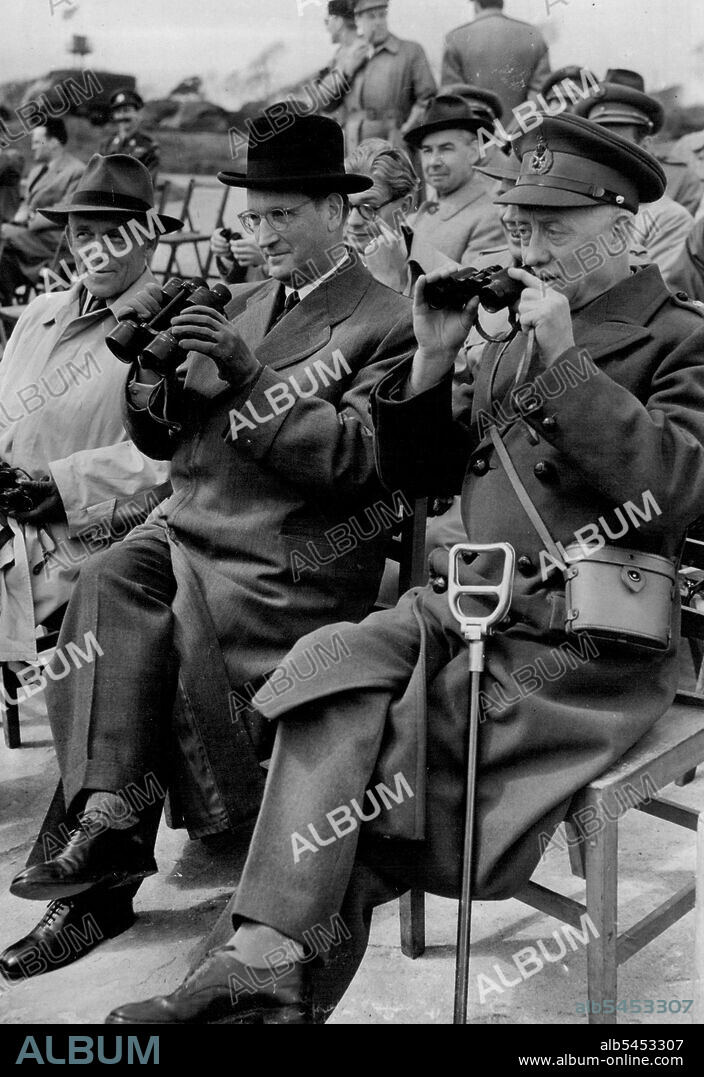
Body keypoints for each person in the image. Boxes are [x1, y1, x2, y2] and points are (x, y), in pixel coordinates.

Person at [104, 114, 704, 1027]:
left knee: (377, 766)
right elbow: (416, 481)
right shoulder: (499, 334)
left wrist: (569, 364)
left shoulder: (676, 337)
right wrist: (429, 354)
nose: (530, 248)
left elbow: (674, 491)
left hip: (586, 639)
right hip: (465, 602)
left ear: (621, 229)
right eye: (521, 225)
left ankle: (259, 964)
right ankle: (262, 963)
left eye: (556, 229)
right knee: (322, 666)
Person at [2, 109, 416, 984]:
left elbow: (359, 464)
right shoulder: (242, 298)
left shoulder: (389, 321)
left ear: (336, 214)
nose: (260, 235)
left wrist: (248, 374)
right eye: (251, 217)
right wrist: (151, 379)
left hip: (287, 560)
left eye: (281, 217)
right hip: (192, 527)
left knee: (139, 630)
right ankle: (110, 820)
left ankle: (98, 885)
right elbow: (163, 445)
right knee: (108, 572)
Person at [0, 154, 177, 980]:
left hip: (95, 537)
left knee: (107, 621)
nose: (98, 245)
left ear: (151, 232)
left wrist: (57, 487)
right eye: (81, 229)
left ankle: (95, 880)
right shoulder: (37, 316)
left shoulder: (170, 317)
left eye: (117, 229)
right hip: (13, 529)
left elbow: (170, 462)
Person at [575, 78, 694, 283]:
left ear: (646, 146)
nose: (604, 155)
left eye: (619, 146)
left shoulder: (668, 219)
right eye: (596, 144)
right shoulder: (575, 205)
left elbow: (658, 301)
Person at [404, 91, 506, 271]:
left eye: (445, 149)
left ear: (473, 152)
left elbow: (472, 292)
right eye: (427, 151)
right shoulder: (425, 210)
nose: (434, 162)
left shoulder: (490, 217)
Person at [0, 118, 83, 303]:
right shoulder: (37, 170)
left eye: (37, 142)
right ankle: (6, 313)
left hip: (55, 239)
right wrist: (18, 219)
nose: (33, 148)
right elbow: (27, 202)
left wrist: (28, 220)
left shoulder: (76, 170)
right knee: (5, 259)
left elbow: (67, 210)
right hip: (30, 238)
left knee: (4, 237)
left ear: (54, 142)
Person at [338, 0, 436, 153]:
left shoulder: (410, 51)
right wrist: (347, 70)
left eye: (382, 15)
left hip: (393, 145)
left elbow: (427, 98)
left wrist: (406, 132)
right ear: (358, 20)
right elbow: (326, 102)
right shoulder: (345, 54)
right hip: (353, 149)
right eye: (371, 17)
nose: (378, 22)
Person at [441, 0, 551, 120]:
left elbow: (453, 98)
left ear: (476, 5)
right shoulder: (533, 35)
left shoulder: (455, 38)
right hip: (520, 132)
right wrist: (513, 130)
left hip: (477, 133)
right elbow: (539, 94)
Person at [344, 137, 419, 294]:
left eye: (369, 207)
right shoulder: (326, 270)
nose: (353, 221)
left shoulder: (440, 273)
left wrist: (389, 283)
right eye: (348, 206)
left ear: (405, 206)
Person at [315, 1, 369, 128]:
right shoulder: (340, 55)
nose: (327, 28)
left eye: (327, 21)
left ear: (339, 22)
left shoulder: (362, 50)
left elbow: (321, 97)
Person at [99, 90, 160, 183]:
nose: (122, 116)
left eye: (126, 111)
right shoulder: (106, 145)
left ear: (138, 114)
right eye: (118, 112)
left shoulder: (149, 147)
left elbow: (147, 185)